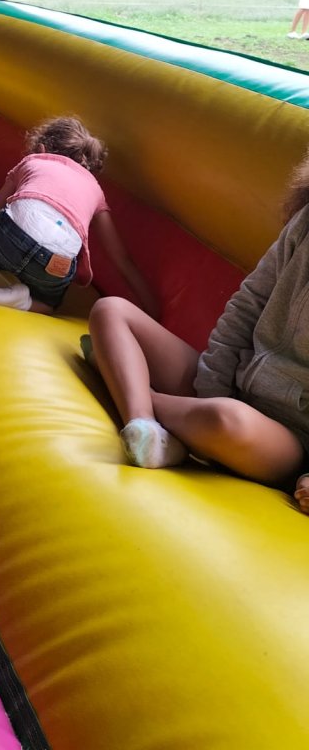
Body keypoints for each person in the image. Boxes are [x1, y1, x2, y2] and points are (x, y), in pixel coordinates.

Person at [86, 148, 309, 513]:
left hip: (286, 441)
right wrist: (211, 387)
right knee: (111, 311)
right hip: (232, 387)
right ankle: (145, 428)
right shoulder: (304, 224)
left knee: (226, 420)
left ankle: (129, 385)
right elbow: (248, 303)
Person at [0, 115, 156, 317]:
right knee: (48, 303)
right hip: (57, 261)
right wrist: (152, 310)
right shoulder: (96, 190)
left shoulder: (34, 161)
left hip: (9, 235)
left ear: (42, 149)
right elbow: (121, 259)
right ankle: (22, 299)